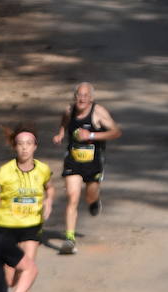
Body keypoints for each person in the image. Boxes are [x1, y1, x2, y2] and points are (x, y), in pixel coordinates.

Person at [0, 124, 52, 292]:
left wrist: (48, 203)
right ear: (15, 147)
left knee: (27, 271)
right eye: (20, 144)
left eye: (28, 144)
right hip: (7, 227)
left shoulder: (43, 169)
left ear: (35, 147)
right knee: (10, 278)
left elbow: (50, 187)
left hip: (31, 226)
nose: (24, 148)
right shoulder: (5, 171)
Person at [52, 82, 122, 254]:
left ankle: (94, 201)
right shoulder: (69, 110)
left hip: (93, 163)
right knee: (72, 197)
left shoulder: (98, 112)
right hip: (73, 162)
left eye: (85, 96)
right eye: (78, 95)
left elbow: (116, 132)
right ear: (74, 97)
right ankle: (69, 239)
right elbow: (65, 121)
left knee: (89, 197)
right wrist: (61, 133)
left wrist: (91, 135)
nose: (81, 99)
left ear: (91, 98)